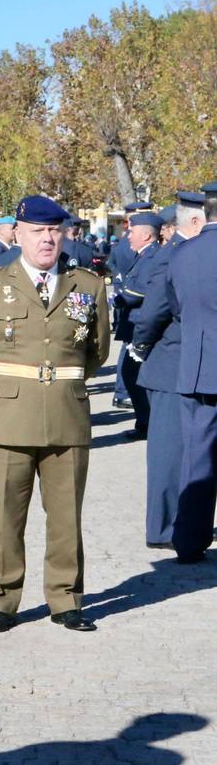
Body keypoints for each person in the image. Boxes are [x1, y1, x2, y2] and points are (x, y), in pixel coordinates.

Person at [0, 195, 111, 634]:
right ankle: (2, 601)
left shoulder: (88, 285)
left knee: (66, 515)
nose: (47, 239)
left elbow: (97, 351)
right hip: (8, 416)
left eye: (54, 231)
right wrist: (10, 385)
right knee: (6, 515)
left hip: (66, 413)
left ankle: (66, 599)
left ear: (64, 235)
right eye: (38, 231)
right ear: (17, 234)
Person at [164, 180, 217, 563]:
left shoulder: (182, 254)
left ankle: (188, 540)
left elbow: (176, 307)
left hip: (198, 368)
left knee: (197, 458)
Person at [132, 206, 191, 549]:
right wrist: (142, 344)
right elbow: (154, 310)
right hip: (171, 363)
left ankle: (181, 521)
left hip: (179, 361)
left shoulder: (179, 252)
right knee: (169, 453)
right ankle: (162, 527)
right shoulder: (171, 256)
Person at [114, 211, 163, 437]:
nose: (128, 236)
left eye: (131, 231)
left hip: (139, 323)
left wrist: (116, 299)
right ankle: (144, 422)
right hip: (133, 323)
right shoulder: (144, 255)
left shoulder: (151, 257)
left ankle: (146, 423)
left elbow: (139, 291)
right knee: (131, 375)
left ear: (145, 235)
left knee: (133, 375)